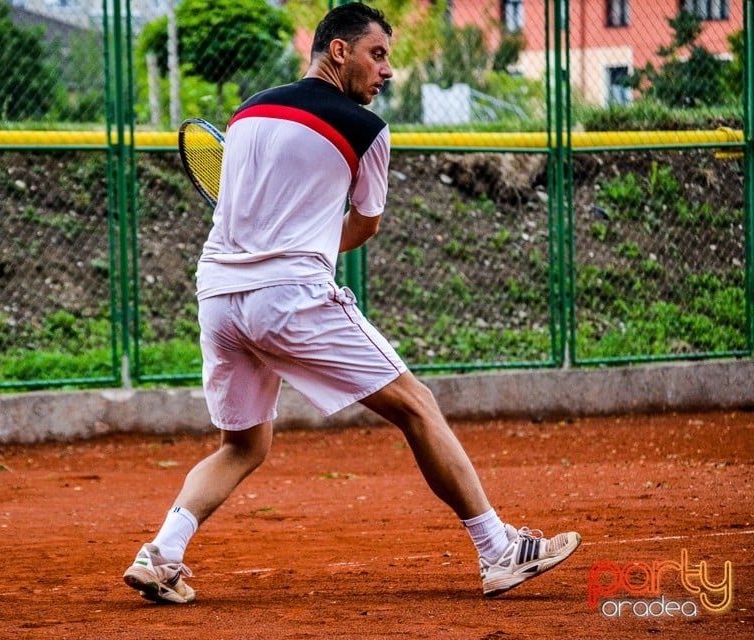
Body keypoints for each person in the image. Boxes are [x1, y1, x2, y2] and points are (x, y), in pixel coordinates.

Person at [123, 2, 580, 604]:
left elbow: (243, 207)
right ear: (338, 51)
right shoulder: (367, 130)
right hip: (289, 298)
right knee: (417, 406)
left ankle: (160, 555)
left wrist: (292, 242)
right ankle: (498, 551)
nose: (386, 70)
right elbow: (365, 225)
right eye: (377, 54)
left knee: (244, 445)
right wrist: (308, 247)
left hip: (218, 297)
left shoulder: (247, 111)